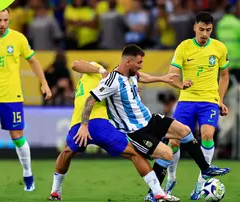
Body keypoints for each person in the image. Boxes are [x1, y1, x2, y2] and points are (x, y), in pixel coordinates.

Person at [75, 44, 230, 202]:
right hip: (136, 131)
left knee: (184, 131)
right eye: (139, 62)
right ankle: (153, 193)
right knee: (167, 154)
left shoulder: (131, 73)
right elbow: (90, 99)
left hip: (150, 120)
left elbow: (142, 77)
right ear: (128, 61)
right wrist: (84, 125)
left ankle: (205, 169)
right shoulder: (112, 81)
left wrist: (161, 78)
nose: (141, 66)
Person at [49, 60, 180, 202]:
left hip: (80, 124)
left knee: (66, 152)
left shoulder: (95, 82)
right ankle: (158, 192)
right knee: (134, 154)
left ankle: (55, 191)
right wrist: (101, 70)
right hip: (98, 124)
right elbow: (75, 64)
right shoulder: (99, 71)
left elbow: (77, 66)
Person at [0, 8, 52, 192]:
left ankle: (28, 174)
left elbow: (33, 61)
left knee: (17, 136)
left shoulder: (18, 39)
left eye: (6, 20)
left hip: (12, 97)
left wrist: (44, 83)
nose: (2, 24)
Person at [164, 11, 230, 200]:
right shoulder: (184, 47)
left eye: (208, 30)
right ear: (195, 27)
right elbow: (172, 75)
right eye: (201, 29)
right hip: (186, 100)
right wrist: (180, 84)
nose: (204, 34)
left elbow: (224, 76)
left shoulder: (219, 48)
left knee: (207, 134)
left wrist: (220, 99)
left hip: (209, 100)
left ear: (212, 29)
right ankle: (171, 178)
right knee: (174, 141)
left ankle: (201, 182)